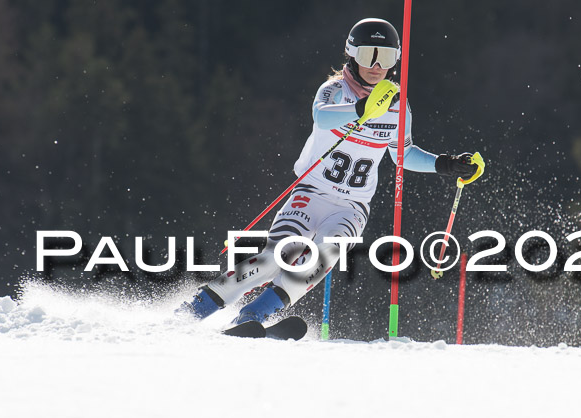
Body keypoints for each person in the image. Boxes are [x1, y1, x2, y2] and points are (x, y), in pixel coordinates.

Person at [178, 18, 484, 324]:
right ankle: (200, 306)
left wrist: (445, 164)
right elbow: (322, 118)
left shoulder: (398, 107)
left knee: (323, 257)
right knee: (276, 257)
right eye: (368, 56)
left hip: (352, 209)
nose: (377, 66)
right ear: (351, 54)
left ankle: (254, 315)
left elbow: (402, 154)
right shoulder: (335, 90)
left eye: (386, 57)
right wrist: (362, 110)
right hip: (311, 194)